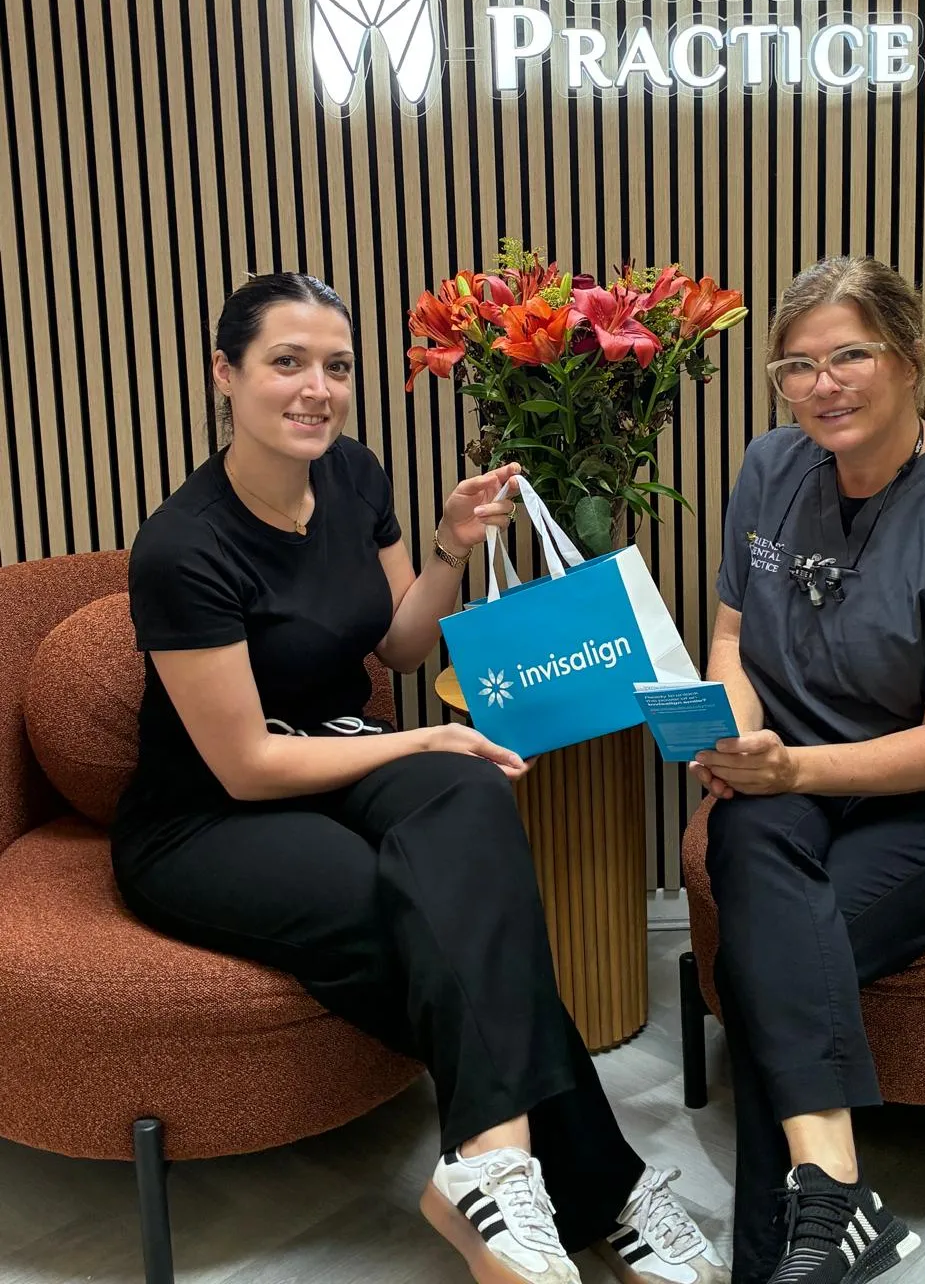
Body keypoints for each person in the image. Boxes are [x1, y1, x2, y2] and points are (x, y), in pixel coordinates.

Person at [110, 272, 729, 1284]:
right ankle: (604, 1188)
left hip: (341, 748)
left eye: (337, 366)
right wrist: (420, 741)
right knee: (410, 897)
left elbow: (398, 648)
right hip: (210, 816)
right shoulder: (183, 546)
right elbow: (248, 762)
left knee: (472, 793)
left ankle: (487, 1167)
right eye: (285, 362)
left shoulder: (353, 475)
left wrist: (447, 548)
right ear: (224, 373)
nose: (317, 388)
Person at [694, 256, 925, 1284]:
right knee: (752, 854)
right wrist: (733, 728)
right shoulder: (771, 467)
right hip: (792, 774)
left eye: (850, 354)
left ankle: (778, 1262)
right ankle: (836, 1195)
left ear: (909, 358)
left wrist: (790, 769)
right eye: (796, 365)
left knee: (776, 961)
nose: (824, 385)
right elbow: (730, 637)